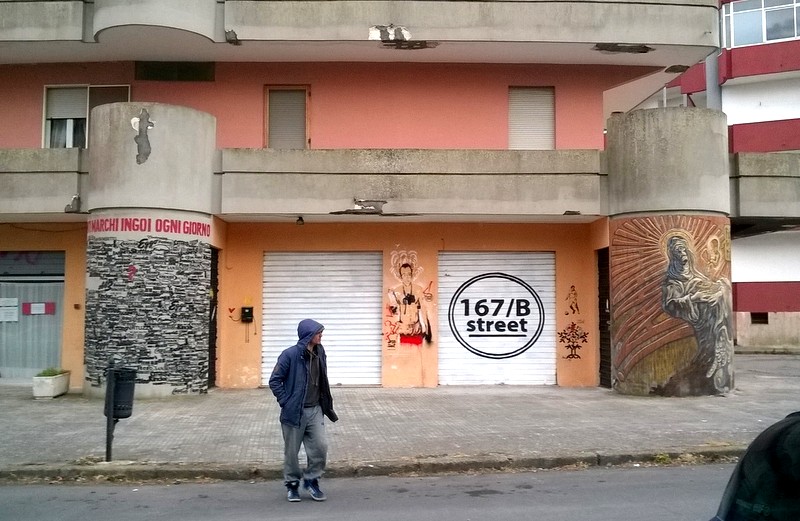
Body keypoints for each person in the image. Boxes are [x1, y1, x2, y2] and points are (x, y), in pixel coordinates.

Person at [269, 319, 338, 502]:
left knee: (320, 447)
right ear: (308, 335)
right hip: (295, 412)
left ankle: (311, 480)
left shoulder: (320, 352)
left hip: (315, 409)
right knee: (291, 452)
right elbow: (274, 380)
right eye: (318, 333)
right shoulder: (290, 355)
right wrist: (286, 402)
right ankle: (292, 485)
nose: (321, 335)